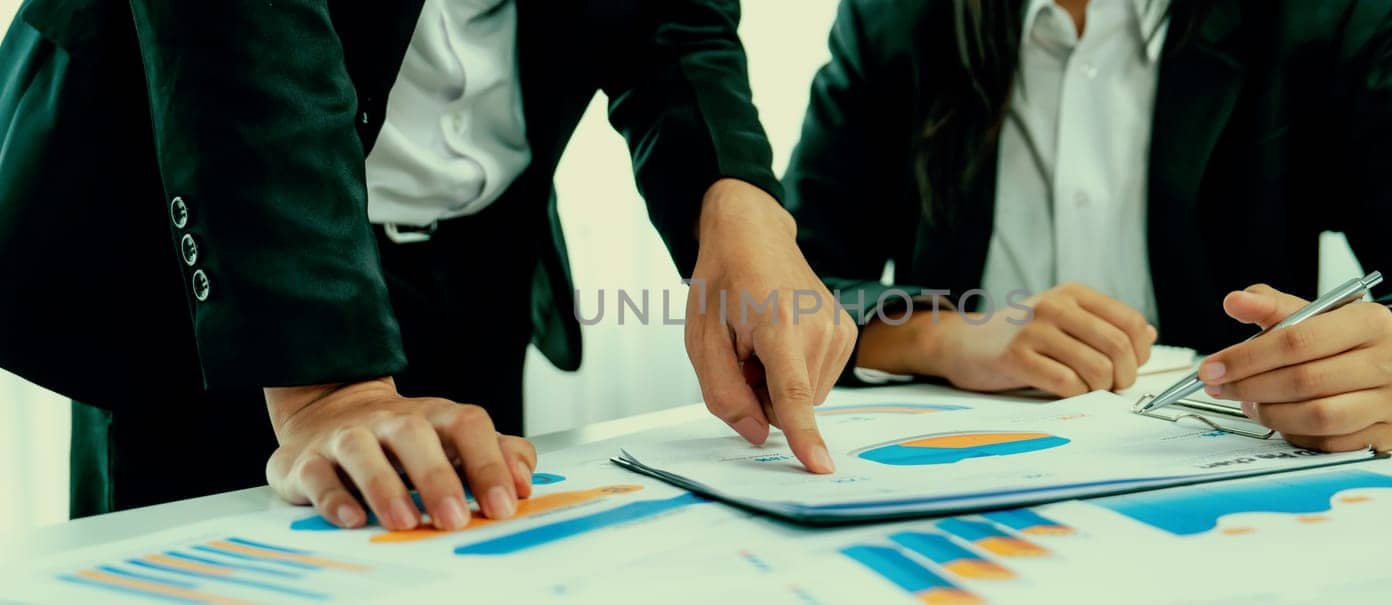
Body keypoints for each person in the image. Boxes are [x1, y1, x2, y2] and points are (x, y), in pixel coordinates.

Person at [0, 0, 852, 530]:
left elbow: (671, 11)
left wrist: (731, 188)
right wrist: (327, 388)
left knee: (460, 538)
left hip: (476, 259)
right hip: (213, 277)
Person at [783, 0, 1392, 452]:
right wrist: (944, 336)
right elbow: (783, 286)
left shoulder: (1317, 15)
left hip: (1219, 497)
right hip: (950, 494)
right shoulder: (895, 18)